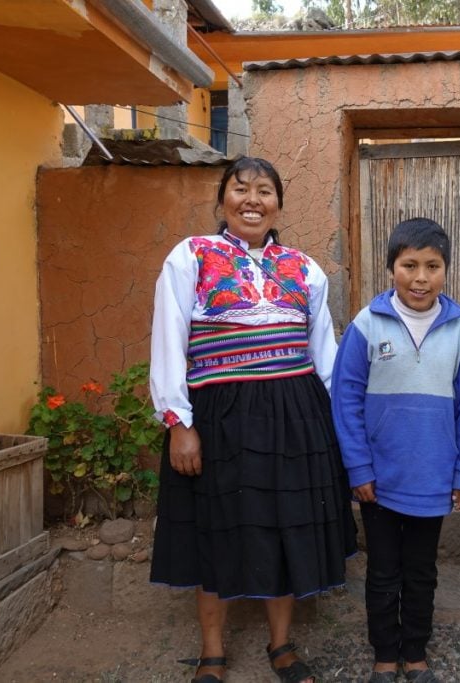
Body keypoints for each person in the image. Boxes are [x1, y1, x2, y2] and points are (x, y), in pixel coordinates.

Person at [149, 156, 357, 683]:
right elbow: (169, 341)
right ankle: (212, 652)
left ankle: (282, 646)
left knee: (284, 527)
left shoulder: (304, 268)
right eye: (240, 189)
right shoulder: (191, 257)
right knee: (212, 529)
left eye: (264, 191)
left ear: (278, 204)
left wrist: (333, 427)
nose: (252, 200)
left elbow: (323, 353)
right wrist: (179, 422)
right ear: (221, 200)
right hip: (218, 419)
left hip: (294, 419)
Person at [331, 218, 460, 683]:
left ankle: (415, 655)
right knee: (382, 572)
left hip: (432, 481)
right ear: (391, 267)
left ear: (446, 270)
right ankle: (384, 655)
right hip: (379, 480)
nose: (421, 277)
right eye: (409, 265)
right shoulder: (367, 323)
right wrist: (358, 468)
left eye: (432, 266)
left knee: (421, 572)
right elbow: (346, 399)